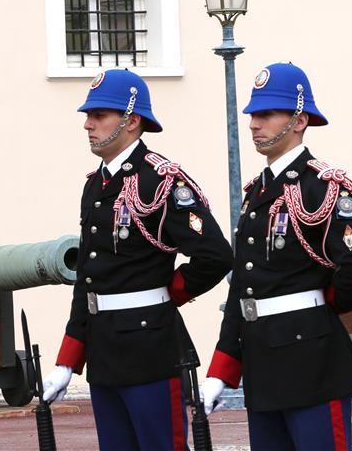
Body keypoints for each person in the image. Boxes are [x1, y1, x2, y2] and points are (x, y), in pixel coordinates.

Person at [41, 69, 233, 450]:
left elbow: (215, 255)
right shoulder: (96, 185)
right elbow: (89, 279)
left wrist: (170, 292)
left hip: (150, 348)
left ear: (131, 121)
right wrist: (68, 360)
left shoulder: (162, 181)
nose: (87, 124)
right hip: (103, 349)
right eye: (88, 115)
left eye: (99, 115)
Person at [199, 62, 352, 451]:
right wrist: (222, 369)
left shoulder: (323, 185)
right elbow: (243, 287)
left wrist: (327, 303)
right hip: (262, 362)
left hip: (311, 359)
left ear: (299, 120)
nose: (254, 124)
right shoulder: (257, 193)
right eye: (252, 114)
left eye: (266, 114)